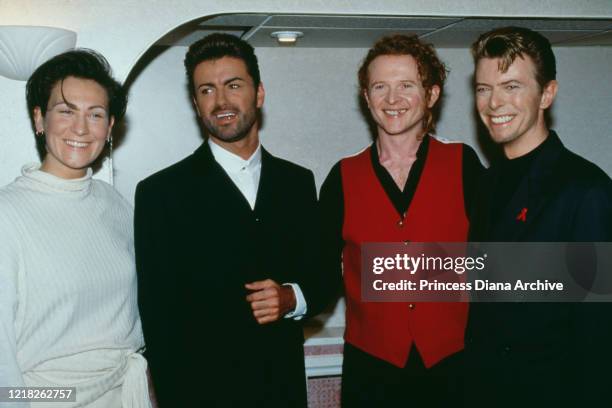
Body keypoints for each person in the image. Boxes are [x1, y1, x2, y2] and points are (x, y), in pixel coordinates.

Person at [134, 33, 327, 407]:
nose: (220, 101)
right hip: (203, 395)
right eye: (207, 90)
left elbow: (321, 273)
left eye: (233, 85)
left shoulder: (297, 183)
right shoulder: (161, 193)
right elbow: (159, 322)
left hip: (283, 391)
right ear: (195, 103)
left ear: (259, 94)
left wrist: (291, 297)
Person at [318, 34, 483, 407]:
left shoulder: (463, 165)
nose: (393, 100)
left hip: (453, 365)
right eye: (381, 87)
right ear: (366, 97)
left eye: (406, 86)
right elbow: (319, 270)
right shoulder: (342, 177)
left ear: (431, 95)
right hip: (372, 370)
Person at [465, 26, 612, 407]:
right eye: (484, 89)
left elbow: (598, 338)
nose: (494, 103)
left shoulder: (586, 190)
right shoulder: (484, 184)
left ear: (547, 93)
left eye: (512, 86)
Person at [0, 50, 152, 407]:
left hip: (124, 393)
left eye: (95, 114)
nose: (81, 128)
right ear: (40, 119)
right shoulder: (7, 213)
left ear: (110, 127)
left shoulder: (114, 203)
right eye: (66, 111)